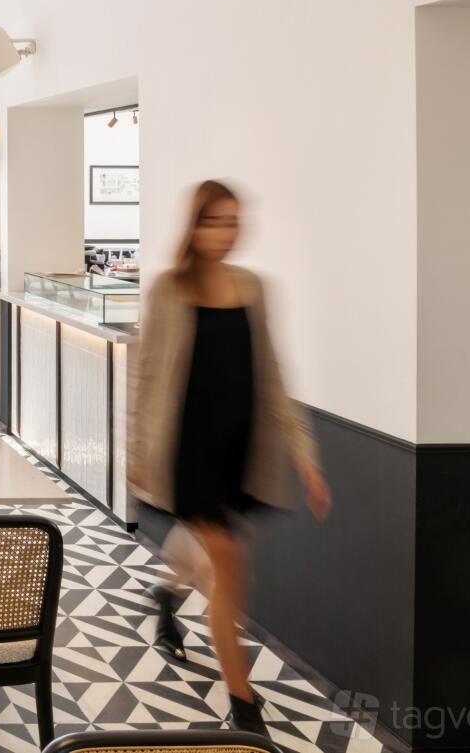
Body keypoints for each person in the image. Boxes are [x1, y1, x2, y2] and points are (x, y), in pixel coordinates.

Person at [127, 180, 332, 735]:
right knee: (230, 569)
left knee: (212, 554)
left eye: (233, 221)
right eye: (214, 221)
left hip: (241, 452)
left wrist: (306, 457)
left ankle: (166, 593)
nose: (225, 233)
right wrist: (137, 451)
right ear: (194, 226)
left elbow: (272, 375)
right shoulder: (168, 289)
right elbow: (146, 376)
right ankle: (243, 704)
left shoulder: (254, 288)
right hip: (188, 452)